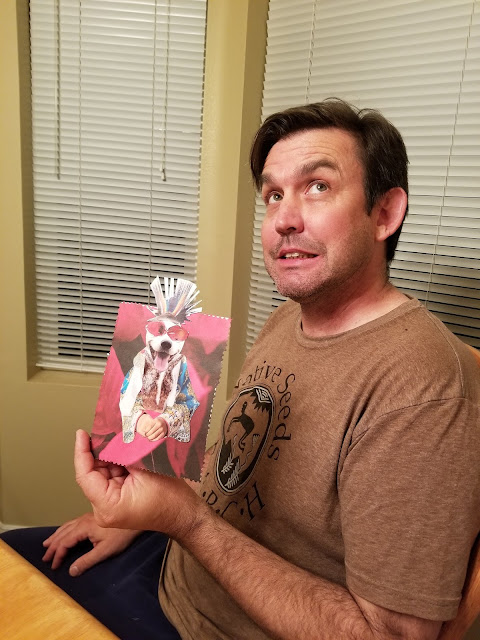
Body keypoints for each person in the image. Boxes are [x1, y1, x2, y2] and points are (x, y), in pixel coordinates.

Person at [3, 98, 480, 640]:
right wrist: (144, 513)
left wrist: (183, 520)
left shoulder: (423, 388)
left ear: (385, 214)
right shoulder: (286, 319)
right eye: (273, 195)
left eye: (317, 186)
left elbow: (389, 635)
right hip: (170, 560)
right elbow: (237, 463)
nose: (283, 219)